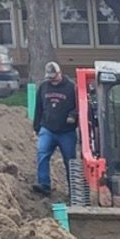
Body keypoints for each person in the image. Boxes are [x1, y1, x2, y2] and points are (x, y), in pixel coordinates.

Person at [32, 60, 78, 194]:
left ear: (60, 73)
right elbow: (39, 108)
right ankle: (44, 184)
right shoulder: (44, 87)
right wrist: (37, 127)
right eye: (50, 78)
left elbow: (79, 106)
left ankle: (74, 190)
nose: (53, 81)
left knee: (70, 160)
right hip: (47, 129)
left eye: (55, 77)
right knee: (42, 154)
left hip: (66, 132)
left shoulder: (71, 87)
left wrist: (73, 115)